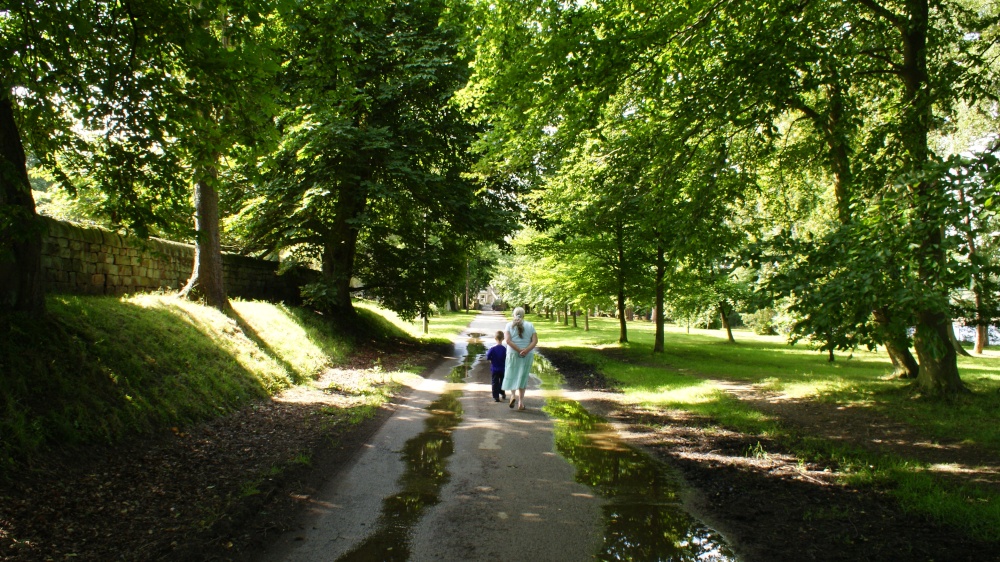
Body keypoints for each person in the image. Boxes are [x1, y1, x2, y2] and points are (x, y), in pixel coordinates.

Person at [501, 307, 538, 411]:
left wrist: (518, 350)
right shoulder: (530, 325)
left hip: (512, 354)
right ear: (524, 315)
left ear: (514, 315)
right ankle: (521, 403)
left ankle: (513, 396)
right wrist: (525, 350)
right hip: (527, 355)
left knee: (512, 374)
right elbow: (535, 341)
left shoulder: (508, 325)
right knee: (523, 377)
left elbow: (507, 341)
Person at [485, 331, 507, 403]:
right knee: (502, 381)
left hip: (494, 368)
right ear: (503, 338)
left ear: (495, 338)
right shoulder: (504, 349)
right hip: (502, 368)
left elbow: (488, 356)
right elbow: (507, 358)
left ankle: (496, 396)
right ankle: (502, 392)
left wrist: (491, 359)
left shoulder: (492, 348)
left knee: (495, 382)